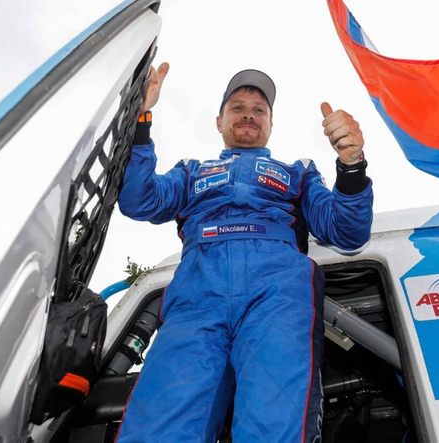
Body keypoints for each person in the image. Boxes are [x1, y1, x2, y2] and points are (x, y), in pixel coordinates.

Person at [115, 64, 373, 442]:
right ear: (219, 121)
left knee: (276, 421)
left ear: (271, 124)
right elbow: (139, 200)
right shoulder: (191, 172)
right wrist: (138, 119)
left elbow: (347, 233)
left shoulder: (299, 172)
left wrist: (351, 165)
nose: (249, 114)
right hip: (197, 294)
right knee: (161, 419)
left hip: (277, 293)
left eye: (259, 109)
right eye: (237, 107)